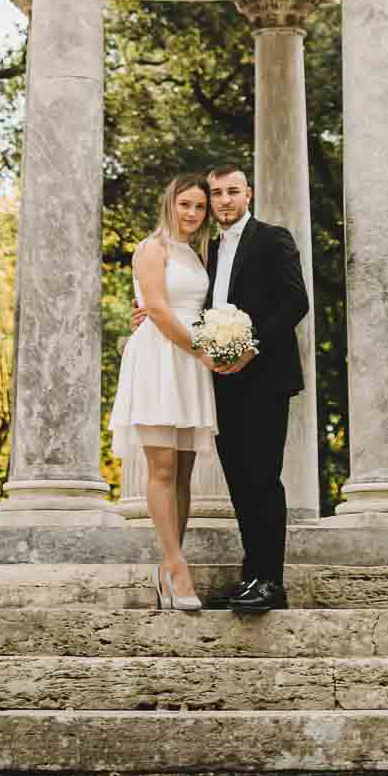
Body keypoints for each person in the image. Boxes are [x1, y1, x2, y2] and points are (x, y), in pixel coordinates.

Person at [202, 164, 309, 614]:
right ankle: (251, 574)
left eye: (232, 192)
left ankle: (271, 582)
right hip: (220, 379)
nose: (224, 200)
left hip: (265, 375)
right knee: (239, 481)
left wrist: (252, 346)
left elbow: (295, 301)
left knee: (264, 477)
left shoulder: (272, 237)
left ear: (249, 194)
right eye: (216, 194)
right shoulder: (207, 249)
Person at [108, 173, 217, 611]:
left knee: (186, 473)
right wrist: (201, 350)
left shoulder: (197, 254)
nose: (192, 214)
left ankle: (170, 563)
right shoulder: (151, 248)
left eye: (199, 207)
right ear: (170, 203)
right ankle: (175, 566)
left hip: (190, 361)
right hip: (160, 357)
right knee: (163, 468)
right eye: (185, 204)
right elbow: (154, 306)